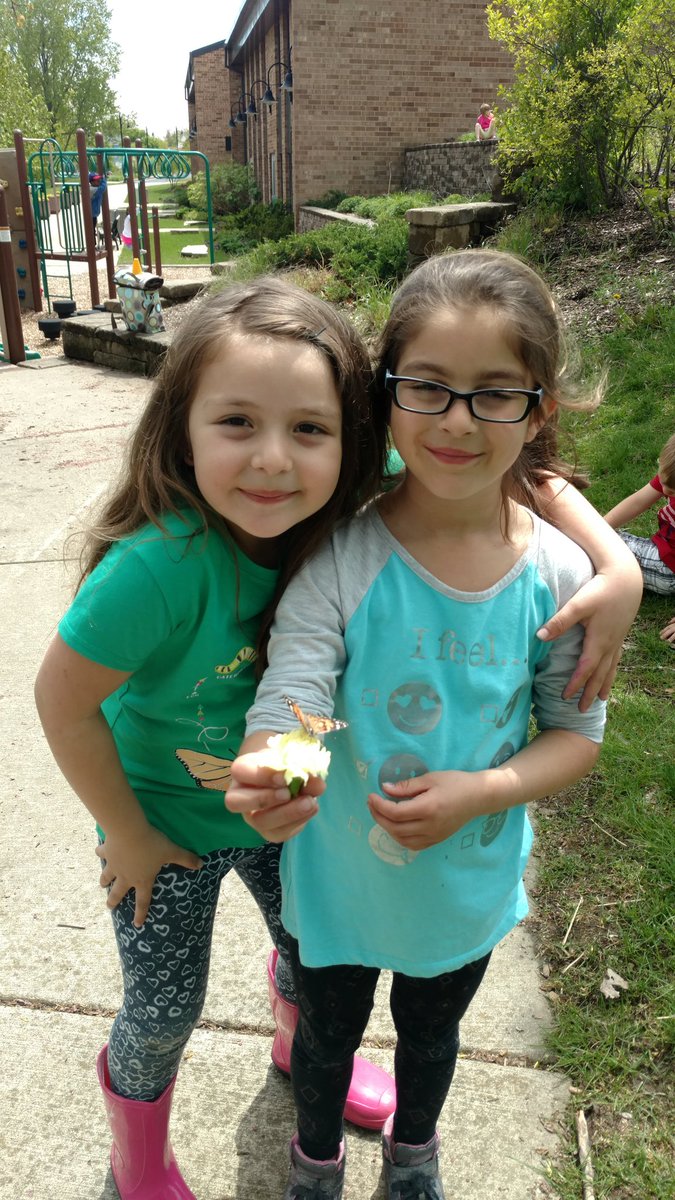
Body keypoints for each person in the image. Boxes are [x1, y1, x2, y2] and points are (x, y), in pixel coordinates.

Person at [226, 250, 632, 1200]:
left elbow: (574, 733)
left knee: (432, 1033)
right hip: (339, 878)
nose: (456, 420)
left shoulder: (561, 578)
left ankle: (413, 1152)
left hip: (464, 886)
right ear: (387, 392)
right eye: (429, 386)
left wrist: (486, 791)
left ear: (538, 409)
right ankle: (314, 1160)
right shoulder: (339, 557)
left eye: (494, 393)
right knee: (325, 1034)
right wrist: (276, 765)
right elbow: (297, 689)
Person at [33, 277, 397, 1200]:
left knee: (318, 963)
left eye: (309, 428)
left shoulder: (346, 531)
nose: (273, 458)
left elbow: (492, 471)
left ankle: (298, 1047)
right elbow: (61, 703)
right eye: (236, 421)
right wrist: (127, 832)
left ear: (352, 440)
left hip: (288, 813)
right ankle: (137, 1162)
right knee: (160, 1012)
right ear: (181, 430)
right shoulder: (156, 567)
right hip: (162, 828)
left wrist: (610, 567)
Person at [604, 432, 675, 596]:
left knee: (601, 545)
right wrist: (599, 526)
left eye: (672, 491)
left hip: (667, 568)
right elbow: (637, 502)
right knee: (596, 536)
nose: (664, 491)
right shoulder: (670, 474)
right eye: (662, 481)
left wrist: (594, 534)